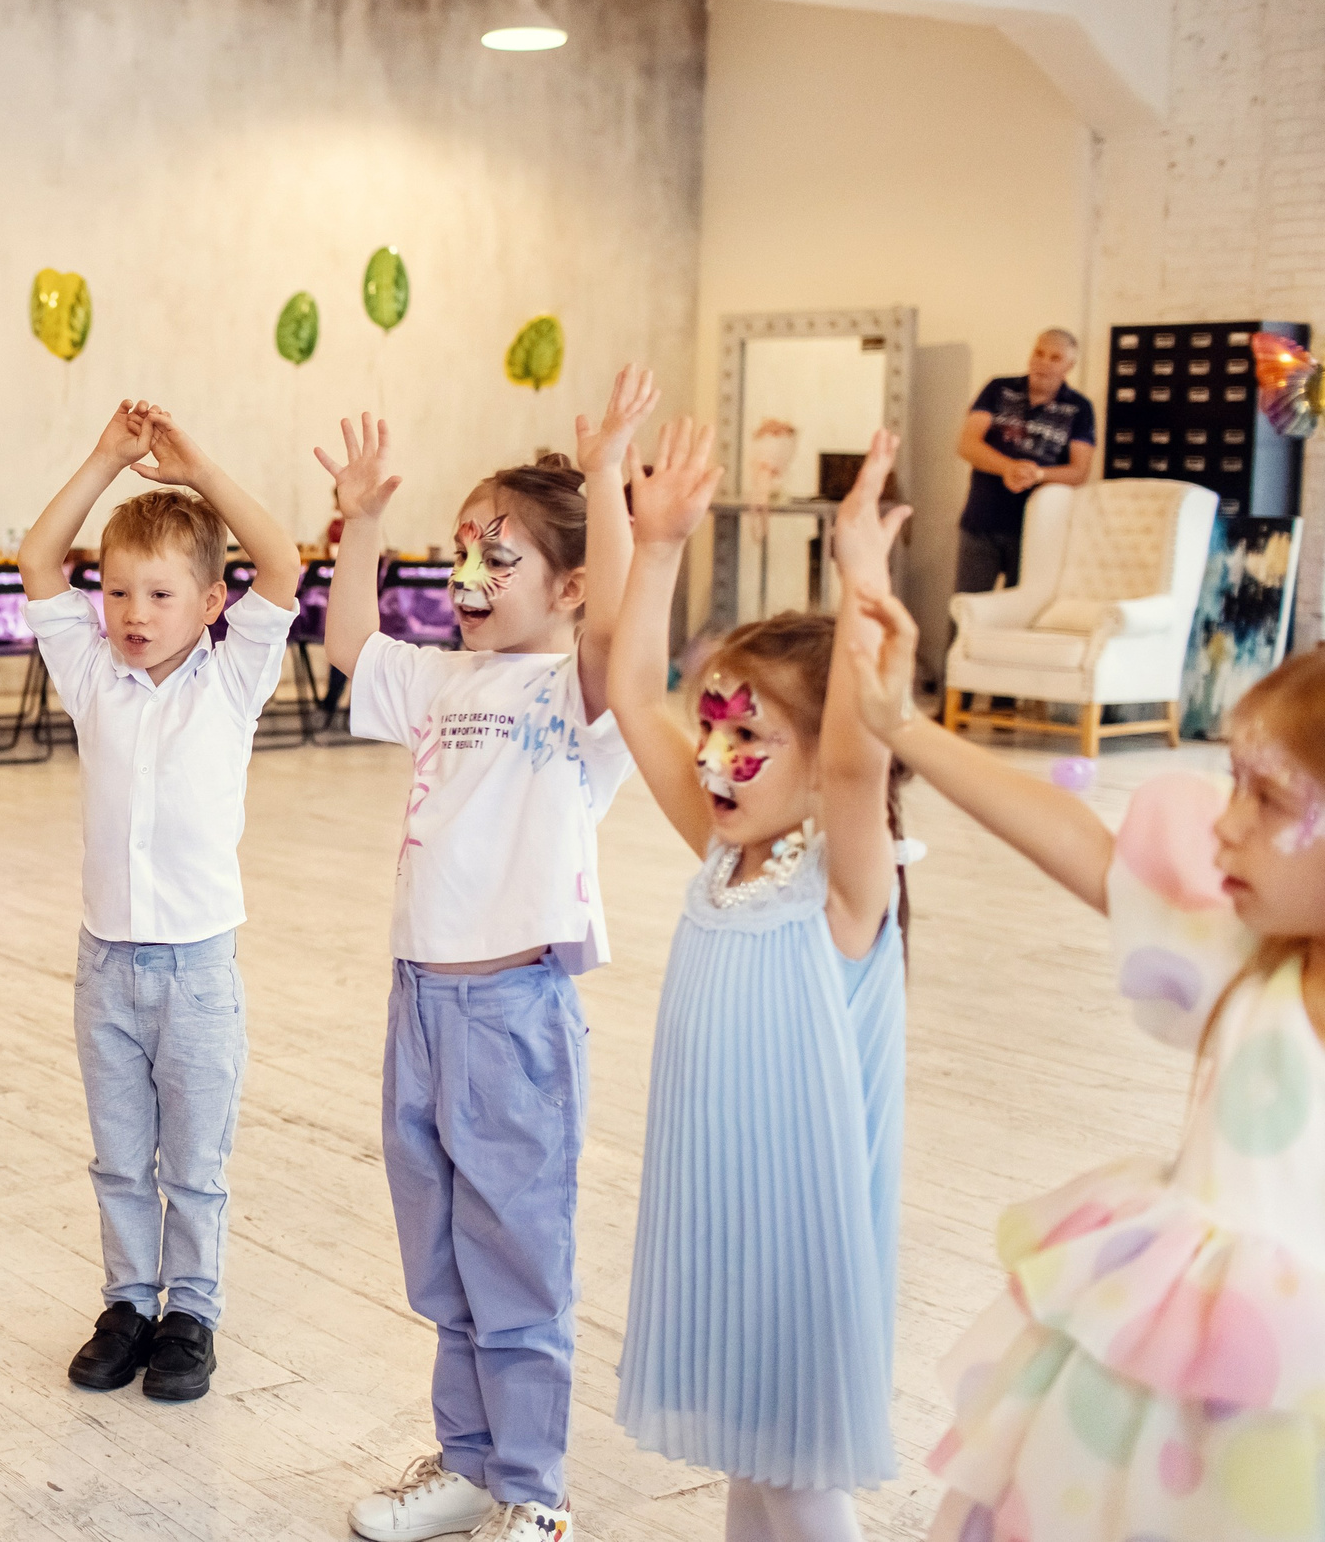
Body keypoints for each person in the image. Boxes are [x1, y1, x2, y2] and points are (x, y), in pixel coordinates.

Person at [845, 602, 1325, 1542]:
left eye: (1267, 800)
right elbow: (1085, 847)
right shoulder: (1248, 959)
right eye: (1233, 785)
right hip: (1135, 1406)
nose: (1224, 828)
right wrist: (904, 725)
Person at [322, 369, 657, 1542]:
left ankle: (534, 1489)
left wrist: (607, 474)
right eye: (461, 551)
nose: (467, 577)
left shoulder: (582, 692)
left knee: (516, 1256)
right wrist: (361, 518)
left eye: (498, 557)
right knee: (444, 1260)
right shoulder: (438, 675)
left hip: (514, 1015)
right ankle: (466, 1459)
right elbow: (349, 640)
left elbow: (616, 627)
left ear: (566, 585)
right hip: (416, 1005)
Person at [602, 421, 912, 1542]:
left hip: (800, 1239)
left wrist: (861, 587)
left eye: (752, 736)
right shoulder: (726, 857)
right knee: (749, 1464)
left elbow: (852, 757)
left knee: (798, 1477)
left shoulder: (839, 886)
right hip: (718, 1220)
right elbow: (637, 695)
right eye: (717, 725)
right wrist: (662, 544)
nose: (714, 758)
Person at [16, 400, 301, 1404]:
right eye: (118, 592)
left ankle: (193, 1314)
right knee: (121, 1157)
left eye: (160, 595)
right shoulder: (93, 675)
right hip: (105, 967)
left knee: (195, 1163)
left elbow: (284, 562)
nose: (132, 614)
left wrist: (199, 466)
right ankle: (130, 1301)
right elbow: (37, 558)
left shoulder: (232, 681)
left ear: (212, 602)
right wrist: (103, 458)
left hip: (197, 972)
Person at [954, 328, 1094, 598]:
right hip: (982, 521)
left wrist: (1037, 474)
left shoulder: (1080, 408)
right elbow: (967, 444)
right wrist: (1008, 468)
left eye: (1055, 358)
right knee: (966, 611)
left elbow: (1079, 472)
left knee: (1020, 613)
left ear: (1069, 366)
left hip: (1036, 529)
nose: (1043, 362)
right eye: (1039, 353)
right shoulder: (998, 389)